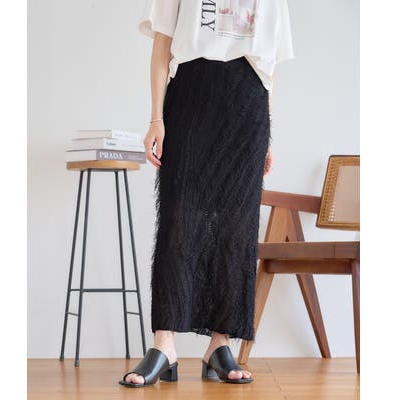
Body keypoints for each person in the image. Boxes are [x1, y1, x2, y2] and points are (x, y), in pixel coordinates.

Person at [119, 0, 294, 388]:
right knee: (178, 219)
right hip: (191, 94)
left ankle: (220, 343)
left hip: (248, 104)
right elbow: (162, 44)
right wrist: (156, 118)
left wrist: (267, 136)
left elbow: (268, 67)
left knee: (236, 228)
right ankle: (164, 344)